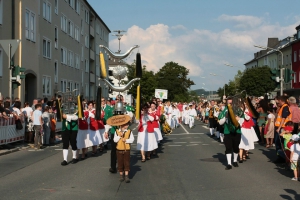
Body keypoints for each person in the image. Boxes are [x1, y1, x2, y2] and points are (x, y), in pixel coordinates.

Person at [218, 96, 242, 170]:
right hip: (227, 131)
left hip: (237, 131)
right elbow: (220, 122)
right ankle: (229, 163)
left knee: (236, 147)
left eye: (231, 102)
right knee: (228, 147)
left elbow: (243, 120)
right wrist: (225, 117)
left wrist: (239, 119)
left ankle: (234, 161)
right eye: (229, 102)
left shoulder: (238, 110)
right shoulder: (224, 111)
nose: (230, 104)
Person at [274, 96, 292, 163]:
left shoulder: (285, 107)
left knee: (279, 143)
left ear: (281, 100)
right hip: (282, 127)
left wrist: (279, 128)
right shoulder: (283, 107)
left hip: (282, 127)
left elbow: (283, 118)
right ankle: (281, 157)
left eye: (278, 100)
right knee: (279, 143)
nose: (277, 102)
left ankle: (281, 158)